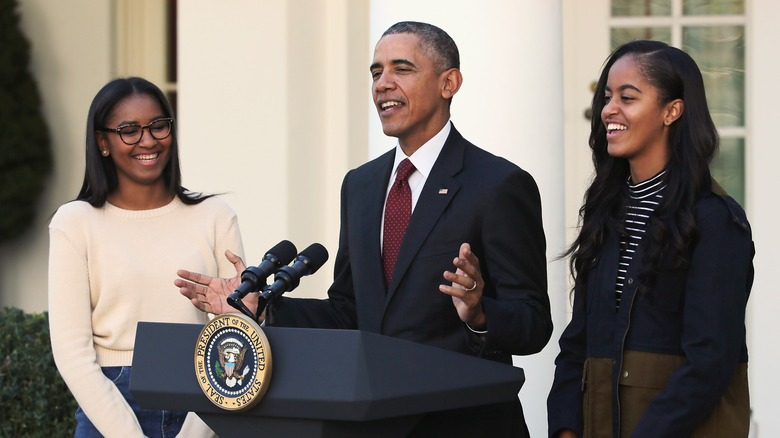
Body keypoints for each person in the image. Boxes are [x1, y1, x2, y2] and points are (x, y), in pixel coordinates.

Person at [177, 21, 552, 437]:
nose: (382, 84)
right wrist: (262, 307)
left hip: (466, 424)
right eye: (376, 72)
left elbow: (534, 322)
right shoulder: (362, 185)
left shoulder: (498, 184)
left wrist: (479, 313)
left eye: (401, 69)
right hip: (373, 424)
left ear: (449, 82)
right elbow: (349, 311)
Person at [546, 40, 754, 437]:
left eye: (627, 97)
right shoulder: (606, 210)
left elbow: (710, 360)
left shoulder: (715, 220)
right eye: (607, 97)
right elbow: (578, 342)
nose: (609, 110)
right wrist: (566, 428)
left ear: (671, 111)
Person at [48, 77, 244, 437]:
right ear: (102, 142)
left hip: (204, 400)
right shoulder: (74, 223)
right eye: (129, 130)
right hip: (109, 405)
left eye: (158, 125)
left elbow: (235, 334)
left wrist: (196, 431)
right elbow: (72, 354)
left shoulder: (216, 217)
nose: (148, 140)